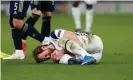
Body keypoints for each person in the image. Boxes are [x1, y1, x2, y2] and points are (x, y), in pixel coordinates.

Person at [33, 29, 103, 65]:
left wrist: (63, 51)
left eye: (45, 55)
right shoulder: (55, 54)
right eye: (46, 59)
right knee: (61, 59)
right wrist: (62, 57)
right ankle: (82, 59)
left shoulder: (54, 35)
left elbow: (75, 40)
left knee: (61, 41)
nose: (48, 57)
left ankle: (86, 56)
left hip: (91, 41)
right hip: (96, 56)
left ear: (43, 47)